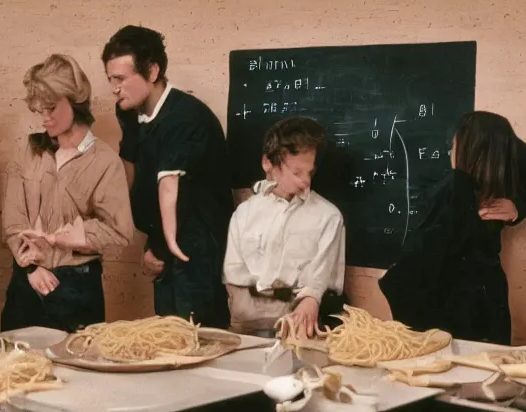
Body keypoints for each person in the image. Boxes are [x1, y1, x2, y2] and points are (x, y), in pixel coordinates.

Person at [379, 111, 526, 344]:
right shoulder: (490, 183)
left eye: (455, 142)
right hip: (487, 292)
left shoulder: (453, 189)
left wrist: (516, 209)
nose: (451, 148)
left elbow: (416, 263)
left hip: (451, 298)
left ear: (469, 147)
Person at [106, 25, 233, 328]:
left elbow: (174, 193)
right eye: (110, 79)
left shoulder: (187, 119)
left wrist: (161, 250)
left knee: (197, 341)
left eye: (121, 79)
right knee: (168, 339)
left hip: (196, 251)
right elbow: (130, 173)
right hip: (162, 244)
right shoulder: (132, 113)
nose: (114, 88)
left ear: (152, 71)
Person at [2, 54, 133, 332]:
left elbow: (121, 231)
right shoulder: (28, 150)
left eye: (51, 107)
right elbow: (13, 220)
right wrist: (30, 269)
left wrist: (80, 236)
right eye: (39, 109)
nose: (45, 117)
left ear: (75, 101)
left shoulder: (105, 162)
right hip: (25, 283)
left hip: (77, 287)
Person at [223, 116, 346, 338]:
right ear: (268, 163)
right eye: (297, 172)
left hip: (301, 329)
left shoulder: (328, 217)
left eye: (310, 172)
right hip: (247, 330)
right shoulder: (244, 214)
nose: (305, 181)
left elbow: (316, 288)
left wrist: (308, 301)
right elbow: (235, 285)